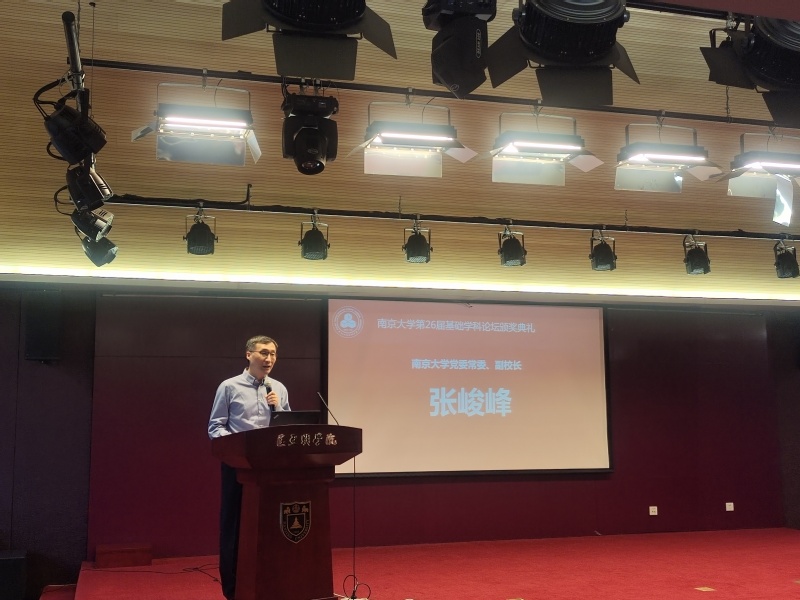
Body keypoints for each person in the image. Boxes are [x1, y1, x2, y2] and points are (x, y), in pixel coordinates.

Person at [208, 335, 290, 600]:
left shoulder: (279, 388)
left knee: (271, 526)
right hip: (238, 468)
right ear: (248, 354)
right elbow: (215, 427)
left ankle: (271, 582)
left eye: (273, 354)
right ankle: (233, 590)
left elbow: (287, 429)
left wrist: (278, 408)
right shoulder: (229, 387)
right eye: (264, 353)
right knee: (235, 526)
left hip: (271, 468)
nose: (269, 359)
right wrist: (236, 449)